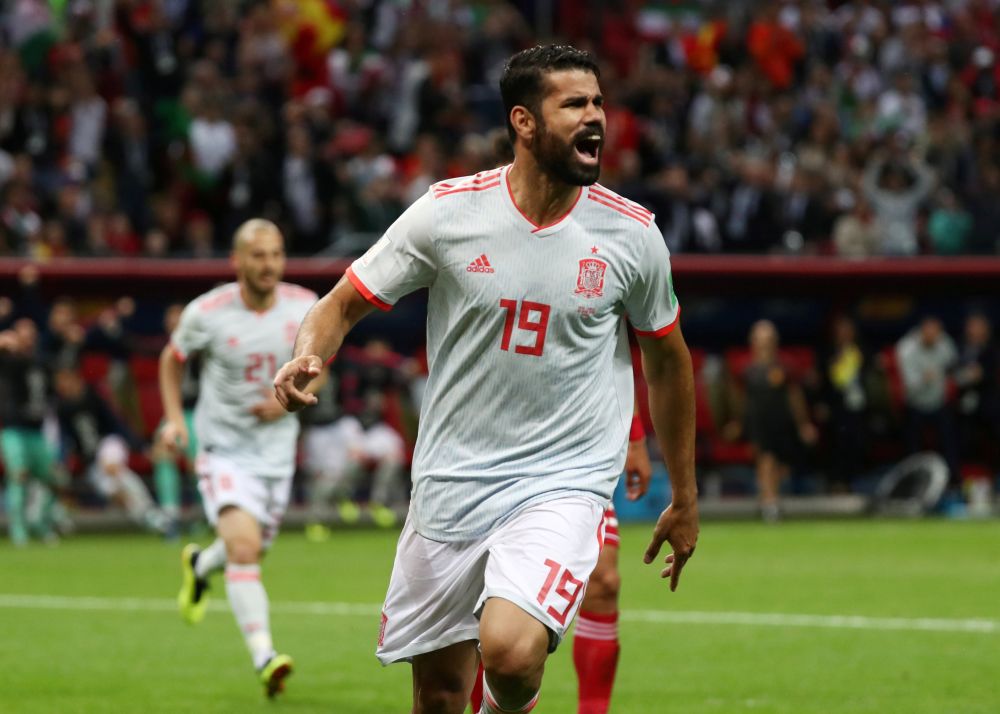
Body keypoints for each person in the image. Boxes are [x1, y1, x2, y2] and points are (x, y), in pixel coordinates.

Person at [274, 45, 698, 714]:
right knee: (440, 695)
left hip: (561, 483)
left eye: (598, 104)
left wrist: (688, 491)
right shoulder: (447, 214)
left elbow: (668, 359)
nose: (596, 118)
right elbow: (340, 304)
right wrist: (310, 354)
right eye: (574, 105)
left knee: (509, 653)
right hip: (452, 483)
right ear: (525, 123)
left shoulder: (632, 235)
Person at [160, 219, 319, 697]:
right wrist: (173, 421)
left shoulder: (305, 307)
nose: (268, 264)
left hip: (275, 453)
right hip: (222, 449)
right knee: (245, 549)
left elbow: (318, 369)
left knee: (246, 550)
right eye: (257, 255)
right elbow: (172, 360)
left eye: (275, 254)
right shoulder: (206, 312)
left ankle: (199, 566)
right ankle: (266, 657)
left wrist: (285, 400)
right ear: (237, 261)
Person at [572, 413, 651, 714]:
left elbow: (615, 364)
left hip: (575, 450)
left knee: (604, 582)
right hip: (500, 449)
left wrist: (635, 439)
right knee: (484, 597)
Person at [52, 364, 170, 535]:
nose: (63, 386)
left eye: (65, 380)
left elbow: (116, 423)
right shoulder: (62, 408)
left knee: (112, 467)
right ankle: (149, 516)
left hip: (109, 444)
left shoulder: (93, 397)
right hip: (92, 462)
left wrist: (141, 447)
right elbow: (64, 439)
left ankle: (150, 510)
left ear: (75, 379)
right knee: (115, 491)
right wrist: (61, 461)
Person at [725, 320, 818, 521]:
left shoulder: (785, 366)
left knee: (781, 466)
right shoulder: (745, 369)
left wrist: (803, 425)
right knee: (765, 460)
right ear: (753, 342)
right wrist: (738, 423)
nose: (764, 343)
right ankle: (769, 503)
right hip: (758, 423)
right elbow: (740, 399)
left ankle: (768, 497)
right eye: (760, 339)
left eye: (768, 339)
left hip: (782, 423)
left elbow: (795, 397)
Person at [0, 318, 61, 545]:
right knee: (19, 475)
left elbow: (52, 393)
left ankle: (40, 522)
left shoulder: (42, 362)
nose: (27, 338)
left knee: (53, 479)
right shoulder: (7, 361)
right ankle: (18, 529)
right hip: (13, 429)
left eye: (31, 333)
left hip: (37, 430)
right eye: (22, 334)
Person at [895, 316, 959, 481]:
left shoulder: (945, 343)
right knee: (912, 446)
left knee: (950, 441)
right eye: (929, 333)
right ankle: (911, 482)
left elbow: (954, 366)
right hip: (915, 404)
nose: (934, 338)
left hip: (939, 403)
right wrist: (925, 379)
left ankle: (952, 481)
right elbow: (908, 386)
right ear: (922, 332)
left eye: (936, 333)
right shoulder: (906, 349)